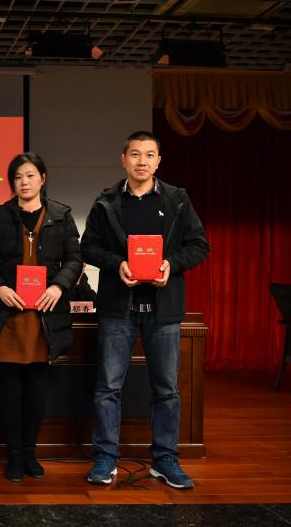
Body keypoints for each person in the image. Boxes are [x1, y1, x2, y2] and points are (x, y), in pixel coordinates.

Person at [81, 131, 209, 490]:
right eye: (135, 154)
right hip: (117, 310)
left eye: (149, 155)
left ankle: (165, 459)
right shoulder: (106, 201)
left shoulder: (177, 199)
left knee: (166, 388)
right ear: (123, 160)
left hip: (163, 310)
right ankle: (106, 457)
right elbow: (88, 247)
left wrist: (172, 264)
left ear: (158, 161)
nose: (142, 161)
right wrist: (117, 264)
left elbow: (199, 245)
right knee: (108, 387)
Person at [0, 153, 82, 482]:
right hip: (7, 314)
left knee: (36, 388)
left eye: (30, 175)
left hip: (44, 316)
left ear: (43, 179)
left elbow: (74, 259)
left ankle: (30, 453)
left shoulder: (61, 216)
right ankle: (13, 455)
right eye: (18, 177)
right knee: (9, 389)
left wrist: (59, 286)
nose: (24, 182)